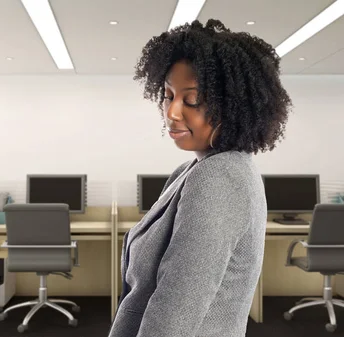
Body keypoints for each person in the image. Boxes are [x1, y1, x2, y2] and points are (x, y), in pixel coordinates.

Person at [108, 19, 291, 337]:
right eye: (167, 95)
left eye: (191, 99)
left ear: (234, 107)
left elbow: (173, 316)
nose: (172, 112)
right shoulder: (196, 169)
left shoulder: (219, 178)